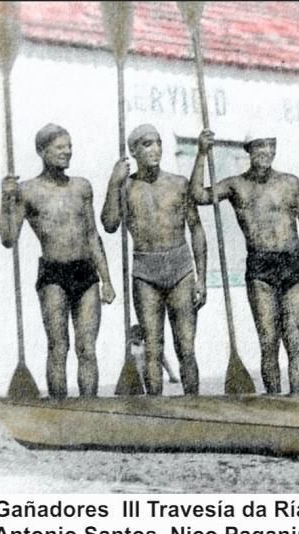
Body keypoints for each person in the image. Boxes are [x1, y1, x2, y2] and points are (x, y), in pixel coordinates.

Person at [193, 130, 299, 394]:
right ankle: (275, 402)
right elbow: (198, 195)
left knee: (295, 341)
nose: (265, 151)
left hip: (292, 265)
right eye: (259, 146)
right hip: (260, 268)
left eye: (270, 145)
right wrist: (201, 153)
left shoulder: (290, 183)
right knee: (268, 342)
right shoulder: (236, 185)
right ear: (249, 150)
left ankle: (297, 401)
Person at [0, 123, 115, 398]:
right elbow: (7, 238)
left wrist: (107, 279)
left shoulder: (81, 187)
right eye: (60, 147)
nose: (67, 152)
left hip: (85, 273)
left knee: (87, 347)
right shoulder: (26, 190)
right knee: (58, 346)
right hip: (53, 275)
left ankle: (89, 408)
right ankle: (59, 410)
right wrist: (6, 200)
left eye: (69, 147)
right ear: (42, 151)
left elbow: (92, 235)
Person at [101, 124, 206, 396]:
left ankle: (194, 407)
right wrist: (113, 183)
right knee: (152, 349)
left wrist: (202, 278)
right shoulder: (126, 186)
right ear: (133, 151)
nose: (155, 149)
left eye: (158, 142)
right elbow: (110, 224)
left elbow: (196, 228)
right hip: (146, 272)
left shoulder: (178, 184)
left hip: (181, 268)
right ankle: (156, 410)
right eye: (147, 144)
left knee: (186, 346)